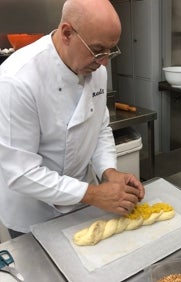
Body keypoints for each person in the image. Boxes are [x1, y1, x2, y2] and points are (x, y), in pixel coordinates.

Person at [0, 0, 145, 238]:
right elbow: (21, 173)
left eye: (111, 50)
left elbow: (99, 127)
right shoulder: (17, 80)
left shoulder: (97, 68)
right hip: (31, 212)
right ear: (67, 33)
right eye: (98, 50)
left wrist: (109, 171)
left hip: (79, 202)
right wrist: (94, 194)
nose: (105, 61)